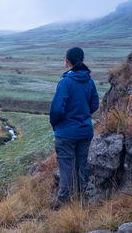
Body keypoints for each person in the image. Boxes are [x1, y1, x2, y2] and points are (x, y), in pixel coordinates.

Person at [50, 47, 99, 209]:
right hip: (85, 130)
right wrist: (82, 115)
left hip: (66, 133)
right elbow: (94, 105)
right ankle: (82, 199)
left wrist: (56, 124)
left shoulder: (65, 82)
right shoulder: (89, 81)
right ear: (82, 60)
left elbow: (57, 110)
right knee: (81, 164)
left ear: (67, 61)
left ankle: (64, 203)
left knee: (66, 166)